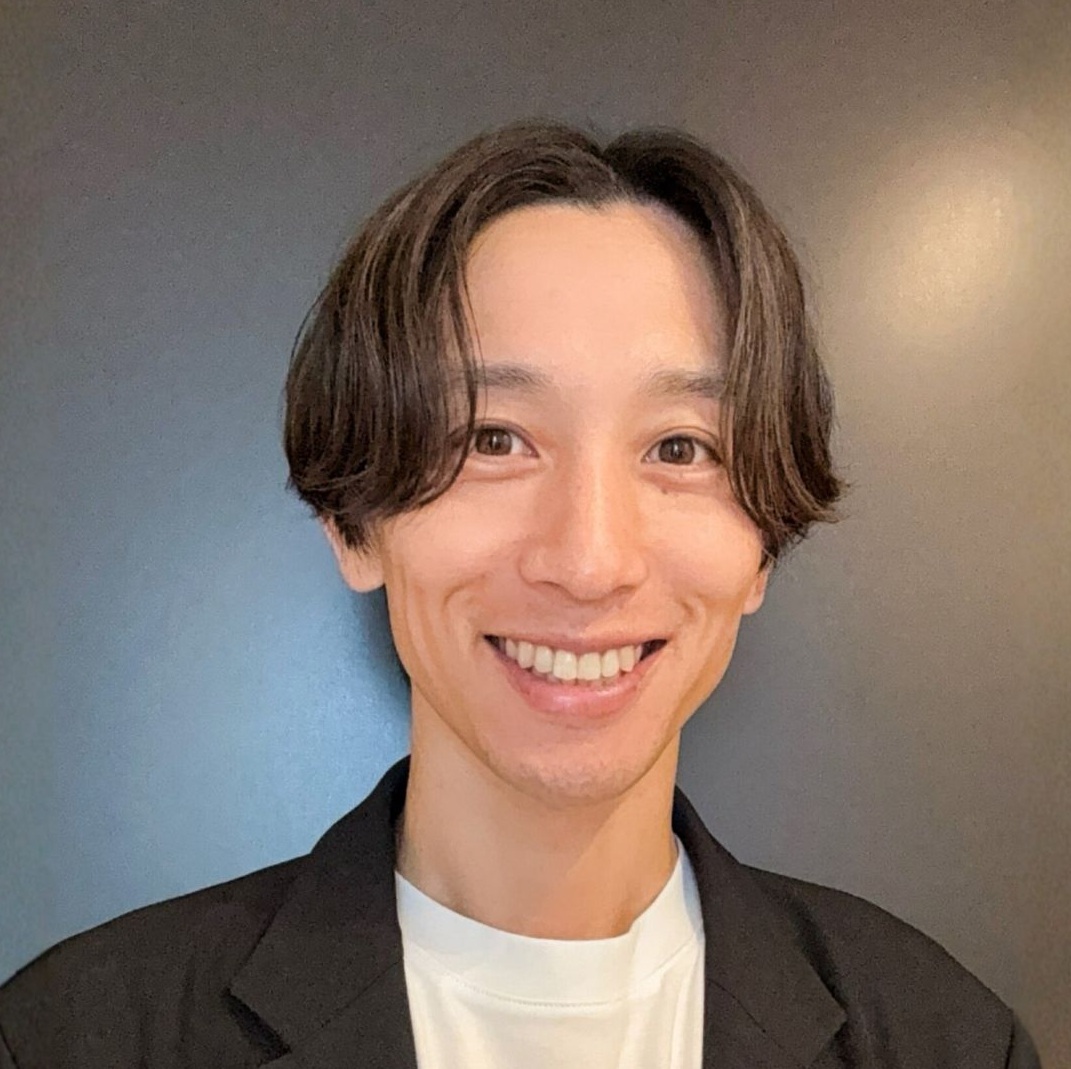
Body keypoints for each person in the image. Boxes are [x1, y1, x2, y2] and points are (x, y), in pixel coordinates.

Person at [0, 120, 1040, 1068]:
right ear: (353, 523)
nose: (589, 561)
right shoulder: (76, 1036)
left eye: (680, 448)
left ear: (761, 548)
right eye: (492, 439)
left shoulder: (944, 1038)